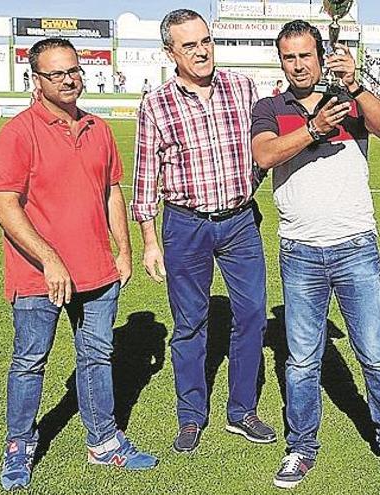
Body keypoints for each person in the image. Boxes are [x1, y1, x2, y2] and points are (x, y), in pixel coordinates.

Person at [0, 37, 158, 492]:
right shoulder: (18, 132)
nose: (68, 79)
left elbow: (111, 192)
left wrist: (122, 250)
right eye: (56, 73)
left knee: (97, 356)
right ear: (36, 80)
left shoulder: (99, 129)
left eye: (73, 70)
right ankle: (19, 446)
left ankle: (103, 442)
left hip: (98, 273)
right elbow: (5, 206)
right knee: (29, 362)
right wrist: (49, 259)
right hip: (38, 276)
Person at [251, 20, 380, 489]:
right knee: (301, 361)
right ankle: (301, 448)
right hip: (300, 251)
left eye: (305, 55)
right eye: (289, 57)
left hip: (355, 245)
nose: (298, 64)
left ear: (320, 56)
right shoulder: (269, 106)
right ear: (280, 61)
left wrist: (356, 86)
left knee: (376, 354)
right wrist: (313, 129)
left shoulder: (347, 99)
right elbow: (265, 155)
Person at [131, 9, 275, 454]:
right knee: (190, 324)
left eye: (206, 41)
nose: (201, 51)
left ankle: (242, 411)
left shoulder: (242, 87)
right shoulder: (155, 104)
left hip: (238, 223)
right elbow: (144, 176)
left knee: (252, 315)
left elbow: (264, 144)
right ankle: (191, 415)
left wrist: (250, 187)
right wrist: (150, 241)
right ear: (170, 52)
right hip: (184, 226)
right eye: (189, 45)